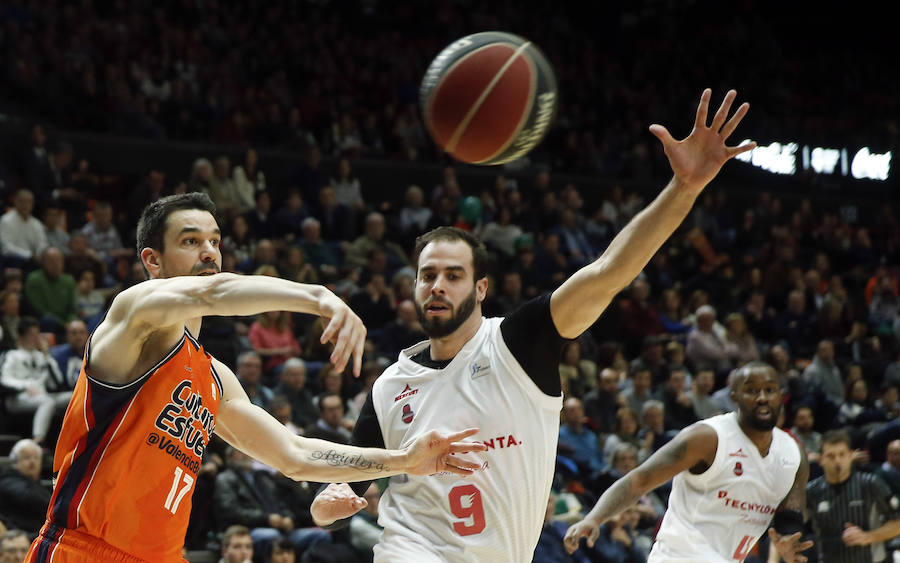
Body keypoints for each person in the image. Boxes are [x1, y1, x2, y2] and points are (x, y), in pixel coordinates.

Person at [311, 89, 760, 562]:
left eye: (453, 275)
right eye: (428, 275)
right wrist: (327, 505)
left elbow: (608, 274)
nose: (437, 286)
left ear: (481, 288)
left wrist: (684, 187)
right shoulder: (390, 387)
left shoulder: (518, 344)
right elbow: (337, 493)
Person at [25, 193, 485, 562]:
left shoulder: (216, 380)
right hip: (82, 549)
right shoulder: (132, 315)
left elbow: (296, 455)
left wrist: (403, 461)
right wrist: (318, 296)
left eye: (214, 241)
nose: (208, 252)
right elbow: (212, 291)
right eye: (190, 242)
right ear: (153, 262)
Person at [564, 362, 813, 562]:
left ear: (781, 396)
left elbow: (790, 514)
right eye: (751, 390)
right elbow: (639, 480)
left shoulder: (793, 454)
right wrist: (594, 518)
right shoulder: (707, 438)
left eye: (769, 390)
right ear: (734, 396)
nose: (762, 398)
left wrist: (789, 539)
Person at [805, 430, 900, 563]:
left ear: (850, 455)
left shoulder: (870, 483)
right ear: (820, 459)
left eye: (842, 454)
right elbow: (795, 525)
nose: (837, 461)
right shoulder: (811, 491)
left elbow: (897, 524)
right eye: (831, 456)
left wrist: (867, 536)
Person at [0, 439, 51, 535]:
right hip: (17, 536)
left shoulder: (37, 484)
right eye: (27, 458)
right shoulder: (7, 479)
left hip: (37, 535)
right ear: (15, 462)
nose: (32, 462)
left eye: (36, 458)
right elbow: (29, 496)